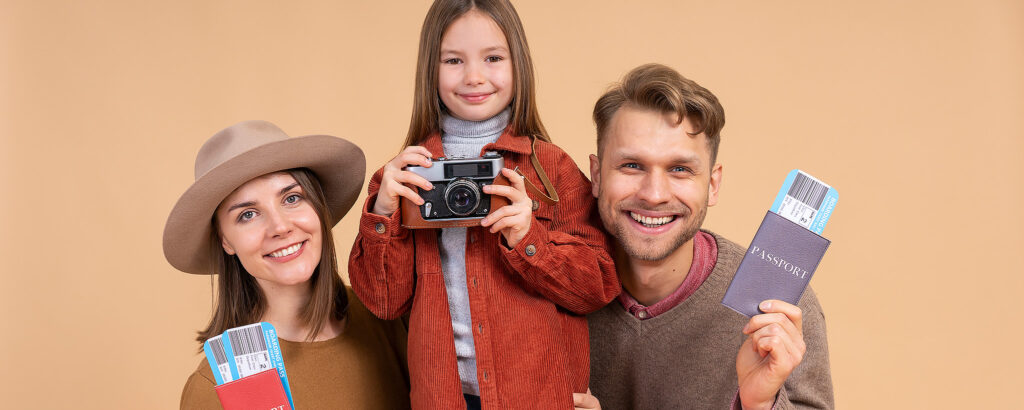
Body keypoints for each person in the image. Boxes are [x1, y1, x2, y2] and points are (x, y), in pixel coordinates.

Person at [347, 0, 620, 408]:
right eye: (453, 60)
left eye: (493, 57)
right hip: (445, 397)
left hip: (536, 397)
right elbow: (384, 302)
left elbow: (597, 287)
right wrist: (385, 213)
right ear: (430, 70)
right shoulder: (405, 175)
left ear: (518, 64)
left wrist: (530, 239)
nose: (474, 77)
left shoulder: (552, 168)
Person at [575, 64, 834, 409]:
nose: (654, 194)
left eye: (679, 169)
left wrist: (759, 404)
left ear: (712, 184)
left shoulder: (781, 307)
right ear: (596, 174)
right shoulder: (549, 283)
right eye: (632, 166)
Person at [164, 120, 411, 409]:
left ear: (318, 208)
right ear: (226, 241)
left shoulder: (390, 317)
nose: (280, 227)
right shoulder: (215, 390)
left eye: (292, 198)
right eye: (248, 214)